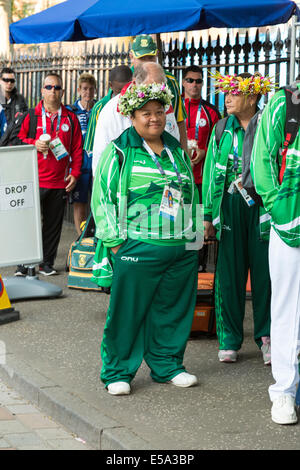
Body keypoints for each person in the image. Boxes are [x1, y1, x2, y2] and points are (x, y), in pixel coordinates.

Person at [91, 82, 200, 396]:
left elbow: (187, 191)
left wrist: (192, 239)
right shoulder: (120, 150)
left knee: (173, 311)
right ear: (131, 117)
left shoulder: (175, 149)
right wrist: (114, 243)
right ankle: (117, 371)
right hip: (136, 246)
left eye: (159, 112)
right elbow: (102, 198)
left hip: (178, 248)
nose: (155, 119)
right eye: (146, 114)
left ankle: (168, 366)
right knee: (128, 312)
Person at [202, 71, 274, 364]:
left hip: (263, 206)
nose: (227, 97)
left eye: (234, 92)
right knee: (229, 275)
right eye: (226, 91)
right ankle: (229, 338)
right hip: (230, 203)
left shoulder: (270, 126)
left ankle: (267, 337)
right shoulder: (221, 129)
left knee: (265, 275)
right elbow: (209, 174)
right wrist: (207, 215)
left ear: (253, 96)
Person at [251, 80, 300, 425]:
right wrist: (283, 214)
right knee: (287, 308)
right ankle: (284, 390)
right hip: (290, 223)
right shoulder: (285, 104)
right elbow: (262, 162)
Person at [15, 73, 83, 276]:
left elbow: (77, 149)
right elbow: (17, 140)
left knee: (53, 225)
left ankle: (46, 264)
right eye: (49, 87)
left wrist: (76, 173)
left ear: (62, 91)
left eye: (57, 87)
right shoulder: (31, 115)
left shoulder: (70, 118)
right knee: (30, 224)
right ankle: (24, 265)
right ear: (42, 90)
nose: (53, 91)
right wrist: (33, 143)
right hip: (33, 179)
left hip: (58, 182)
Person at [92, 62, 179, 175]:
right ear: (134, 84)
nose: (157, 95)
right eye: (151, 89)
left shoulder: (166, 107)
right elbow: (100, 163)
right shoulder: (110, 111)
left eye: (161, 88)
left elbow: (175, 145)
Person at [182, 65, 220, 271]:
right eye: (190, 80)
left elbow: (219, 144)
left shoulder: (211, 111)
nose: (194, 84)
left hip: (200, 180)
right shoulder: (172, 108)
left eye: (198, 81)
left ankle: (199, 270)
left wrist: (204, 152)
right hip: (178, 180)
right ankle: (179, 270)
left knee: (198, 230)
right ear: (183, 82)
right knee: (178, 225)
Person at [129, 34, 188, 151]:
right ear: (131, 57)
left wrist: (185, 156)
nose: (146, 62)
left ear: (156, 55)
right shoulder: (124, 79)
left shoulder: (170, 81)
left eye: (150, 58)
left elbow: (180, 120)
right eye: (142, 58)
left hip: (167, 148)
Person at [67, 73, 97, 235]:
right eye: (85, 89)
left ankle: (95, 237)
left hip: (97, 163)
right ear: (79, 90)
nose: (88, 92)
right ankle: (80, 238)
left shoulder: (100, 108)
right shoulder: (71, 111)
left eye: (91, 89)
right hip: (79, 163)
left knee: (97, 201)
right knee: (79, 203)